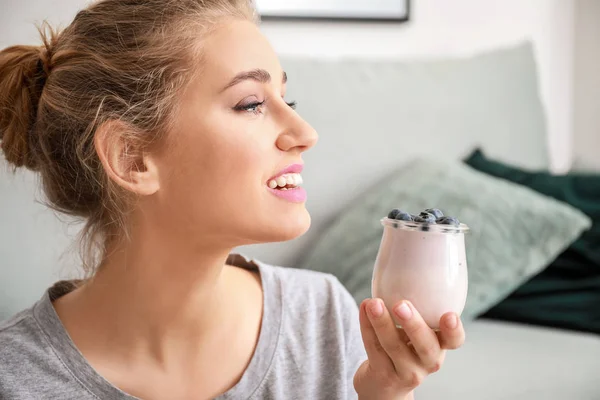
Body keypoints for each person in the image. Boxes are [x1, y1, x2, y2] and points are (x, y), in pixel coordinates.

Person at [0, 1, 465, 399]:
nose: (305, 134)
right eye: (250, 104)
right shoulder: (15, 377)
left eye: (288, 100)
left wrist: (382, 396)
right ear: (132, 158)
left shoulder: (322, 317)